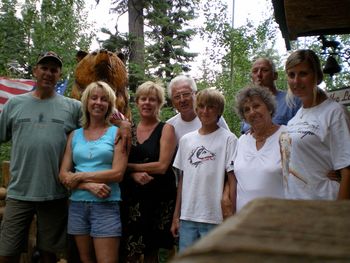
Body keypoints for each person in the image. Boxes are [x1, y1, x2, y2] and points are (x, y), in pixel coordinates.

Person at [0, 51, 81, 263]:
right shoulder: (14, 104)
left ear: (59, 74)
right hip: (19, 192)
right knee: (7, 252)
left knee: (50, 254)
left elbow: (97, 131)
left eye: (54, 70)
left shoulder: (73, 107)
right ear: (35, 71)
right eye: (44, 68)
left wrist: (124, 125)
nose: (48, 73)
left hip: (54, 193)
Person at [59, 81, 128, 263]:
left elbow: (118, 173)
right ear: (86, 102)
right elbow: (63, 174)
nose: (98, 102)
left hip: (106, 204)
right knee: (85, 259)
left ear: (109, 105)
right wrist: (89, 186)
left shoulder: (118, 133)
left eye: (104, 99)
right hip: (77, 205)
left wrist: (80, 176)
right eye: (94, 98)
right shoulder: (74, 135)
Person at [170, 88, 237, 252]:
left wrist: (234, 216)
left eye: (211, 107)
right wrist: (176, 215)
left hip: (215, 217)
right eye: (201, 106)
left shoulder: (229, 139)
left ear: (219, 111)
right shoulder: (186, 140)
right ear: (196, 109)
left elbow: (233, 180)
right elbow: (182, 180)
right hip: (188, 217)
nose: (205, 111)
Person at [280, 49, 350, 200]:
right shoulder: (295, 119)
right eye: (291, 75)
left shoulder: (334, 112)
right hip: (296, 207)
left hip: (324, 206)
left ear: (317, 76)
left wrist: (341, 215)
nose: (296, 81)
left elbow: (347, 170)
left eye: (303, 73)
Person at [120, 81, 177, 263]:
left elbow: (162, 166)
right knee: (130, 250)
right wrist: (132, 174)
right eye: (143, 99)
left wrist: (130, 168)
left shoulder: (166, 129)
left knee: (152, 251)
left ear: (159, 104)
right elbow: (118, 162)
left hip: (158, 197)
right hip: (132, 197)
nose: (147, 103)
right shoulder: (129, 130)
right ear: (137, 103)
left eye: (152, 99)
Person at [234, 86, 286, 212]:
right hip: (244, 221)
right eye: (247, 110)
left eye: (256, 106)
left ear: (269, 107)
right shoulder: (241, 141)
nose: (252, 112)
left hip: (278, 220)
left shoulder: (287, 136)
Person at [241, 58, 301, 134]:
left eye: (264, 70)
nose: (259, 74)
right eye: (255, 71)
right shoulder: (248, 107)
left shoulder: (292, 100)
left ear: (275, 76)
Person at [166, 75, 230, 143]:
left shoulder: (212, 118)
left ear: (195, 94)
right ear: (172, 101)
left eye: (186, 94)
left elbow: (228, 141)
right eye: (177, 97)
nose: (182, 100)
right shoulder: (170, 126)